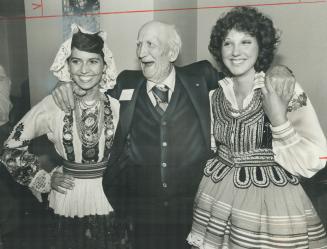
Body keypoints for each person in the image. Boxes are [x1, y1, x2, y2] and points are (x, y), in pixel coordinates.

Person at [51, 21, 295, 249]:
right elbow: (92, 94)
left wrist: (278, 70)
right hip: (142, 210)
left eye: (150, 44)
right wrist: (68, 86)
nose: (140, 52)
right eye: (138, 44)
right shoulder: (125, 82)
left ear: (172, 53)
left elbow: (243, 77)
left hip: (197, 207)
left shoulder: (202, 76)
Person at [186, 7, 327, 249]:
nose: (236, 51)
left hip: (270, 205)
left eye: (246, 42)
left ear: (261, 46)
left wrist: (279, 122)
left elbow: (317, 157)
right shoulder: (215, 95)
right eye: (228, 43)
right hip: (217, 199)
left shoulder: (284, 88)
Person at [1, 24, 130, 249]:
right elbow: (11, 148)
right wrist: (44, 178)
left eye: (93, 61)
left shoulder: (119, 106)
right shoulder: (53, 105)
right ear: (67, 66)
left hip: (111, 196)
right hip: (68, 197)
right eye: (76, 61)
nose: (84, 69)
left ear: (104, 66)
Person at [0, 65, 12, 153]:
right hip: (5, 118)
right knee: (5, 146)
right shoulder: (7, 81)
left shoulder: (4, 81)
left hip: (2, 119)